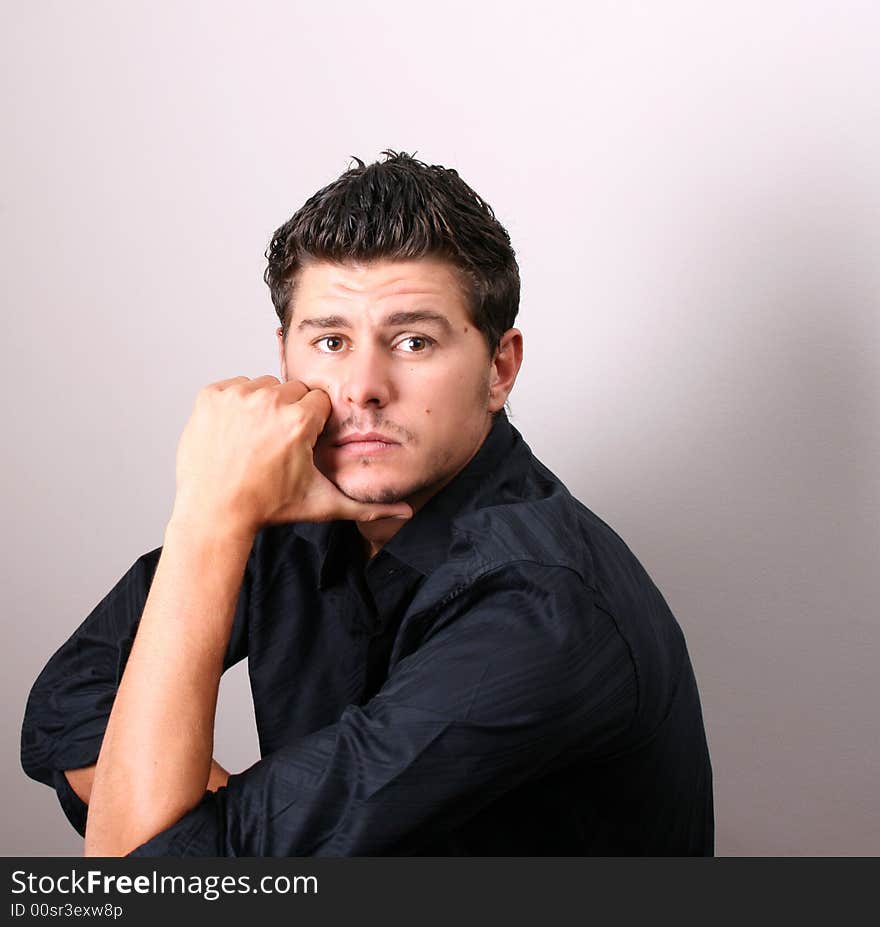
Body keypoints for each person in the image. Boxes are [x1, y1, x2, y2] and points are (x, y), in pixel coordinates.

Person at [21, 151, 713, 856]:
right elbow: (69, 708)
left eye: (413, 341)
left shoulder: (541, 605)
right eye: (330, 340)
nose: (363, 387)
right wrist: (210, 518)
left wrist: (192, 836)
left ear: (499, 367)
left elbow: (149, 876)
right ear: (286, 360)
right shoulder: (283, 511)